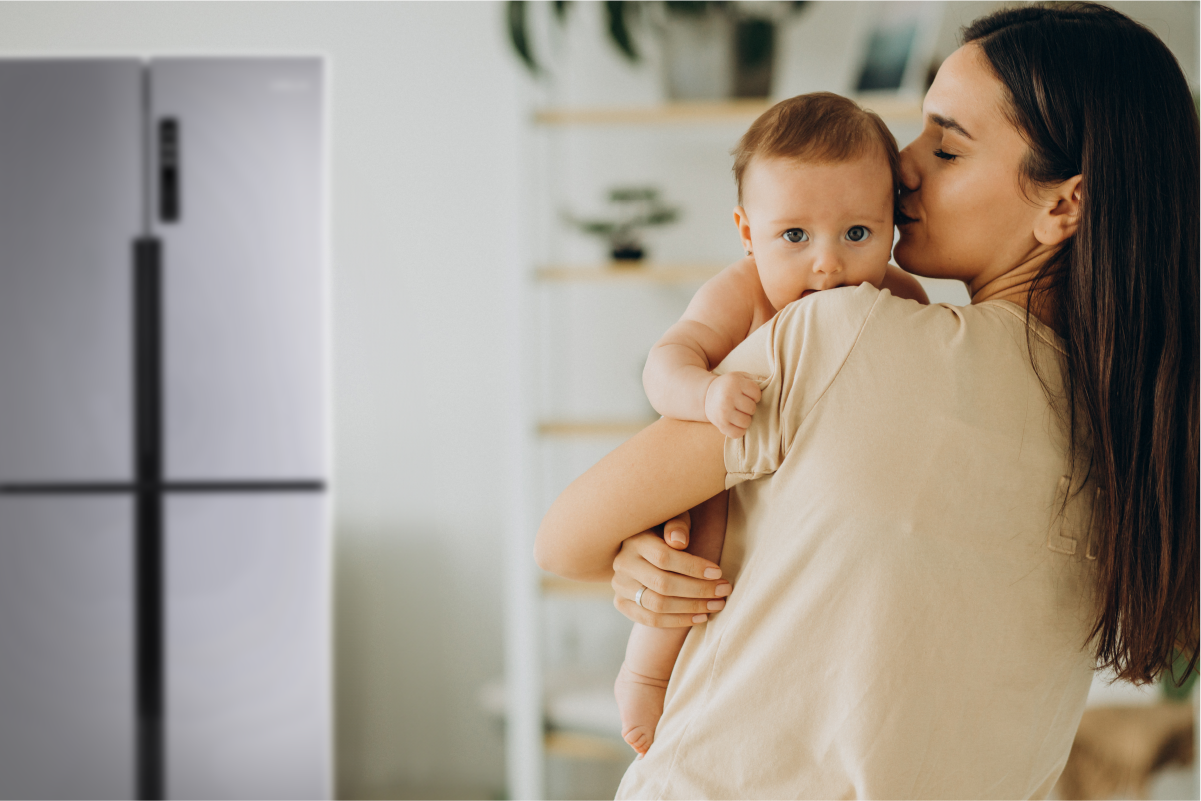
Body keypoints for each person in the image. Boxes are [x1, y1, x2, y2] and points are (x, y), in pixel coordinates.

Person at [534, 3, 1201, 799]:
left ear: (1063, 204)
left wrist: (637, 561)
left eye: (946, 146)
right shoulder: (1146, 448)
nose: (902, 163)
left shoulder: (840, 333)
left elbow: (564, 536)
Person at [618, 92, 928, 756]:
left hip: (822, 493)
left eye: (856, 233)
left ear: (890, 227)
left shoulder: (900, 298)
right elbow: (664, 360)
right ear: (746, 230)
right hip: (728, 477)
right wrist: (704, 391)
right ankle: (643, 673)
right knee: (689, 553)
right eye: (794, 235)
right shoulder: (743, 291)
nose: (827, 262)